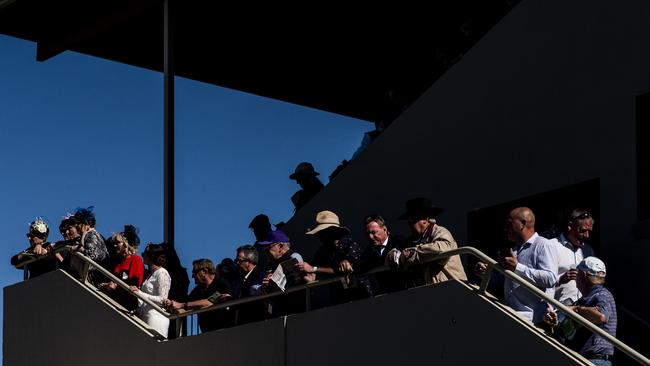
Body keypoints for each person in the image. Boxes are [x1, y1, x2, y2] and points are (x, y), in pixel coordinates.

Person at [475, 207, 559, 324]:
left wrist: (517, 267)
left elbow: (550, 279)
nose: (506, 229)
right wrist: (486, 275)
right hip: (512, 317)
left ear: (523, 224)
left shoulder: (543, 245)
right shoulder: (514, 251)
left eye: (509, 224)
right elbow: (509, 283)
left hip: (534, 322)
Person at [544, 257, 616, 365]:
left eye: (577, 273)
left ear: (583, 275)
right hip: (584, 359)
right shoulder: (584, 300)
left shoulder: (602, 294)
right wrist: (555, 322)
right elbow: (567, 329)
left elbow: (601, 316)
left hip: (594, 360)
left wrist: (576, 309)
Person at [387, 198, 467, 285]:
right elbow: (393, 258)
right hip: (427, 292)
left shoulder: (441, 232)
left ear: (425, 219)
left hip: (452, 290)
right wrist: (393, 254)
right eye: (408, 220)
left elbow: (441, 249)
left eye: (413, 219)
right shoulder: (411, 241)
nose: (409, 224)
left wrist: (408, 255)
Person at [299, 210, 365, 304]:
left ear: (333, 231)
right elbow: (314, 274)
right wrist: (307, 276)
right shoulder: (321, 252)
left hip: (360, 294)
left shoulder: (350, 244)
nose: (320, 236)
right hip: (337, 298)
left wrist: (313, 268)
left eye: (322, 232)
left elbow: (342, 269)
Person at [165, 259, 233, 332]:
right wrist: (172, 305)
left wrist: (182, 305)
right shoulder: (197, 291)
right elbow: (185, 306)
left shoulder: (222, 284)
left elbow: (210, 302)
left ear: (204, 271)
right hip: (206, 333)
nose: (192, 276)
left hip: (225, 331)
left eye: (194, 272)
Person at [259, 230, 311, 317]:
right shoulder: (270, 265)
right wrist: (266, 286)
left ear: (280, 246)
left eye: (268, 248)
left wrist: (273, 282)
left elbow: (296, 282)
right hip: (278, 311)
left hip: (295, 311)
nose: (266, 253)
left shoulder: (293, 257)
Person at [354, 214, 408, 296]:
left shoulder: (397, 241)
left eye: (373, 232)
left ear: (384, 229)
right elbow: (359, 266)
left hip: (406, 290)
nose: (370, 237)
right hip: (385, 295)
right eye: (367, 234)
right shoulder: (368, 251)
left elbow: (405, 246)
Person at [554, 208, 596, 305]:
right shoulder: (552, 246)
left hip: (583, 308)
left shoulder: (588, 250)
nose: (587, 235)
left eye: (589, 231)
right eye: (582, 231)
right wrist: (561, 279)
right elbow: (540, 280)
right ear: (570, 226)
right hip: (559, 309)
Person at [130, 243, 171, 338]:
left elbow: (162, 299)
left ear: (150, 256)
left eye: (144, 254)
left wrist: (139, 293)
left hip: (156, 317)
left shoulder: (162, 273)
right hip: (146, 315)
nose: (142, 255)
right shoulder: (150, 274)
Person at [100, 225, 144, 310]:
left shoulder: (136, 259)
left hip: (126, 304)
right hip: (114, 301)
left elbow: (134, 284)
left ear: (126, 244)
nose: (115, 246)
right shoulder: (118, 261)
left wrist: (116, 286)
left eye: (117, 243)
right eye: (114, 243)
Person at [233, 245, 265, 324]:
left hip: (256, 322)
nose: (237, 263)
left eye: (239, 260)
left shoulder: (261, 276)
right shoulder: (240, 280)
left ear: (249, 261)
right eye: (236, 260)